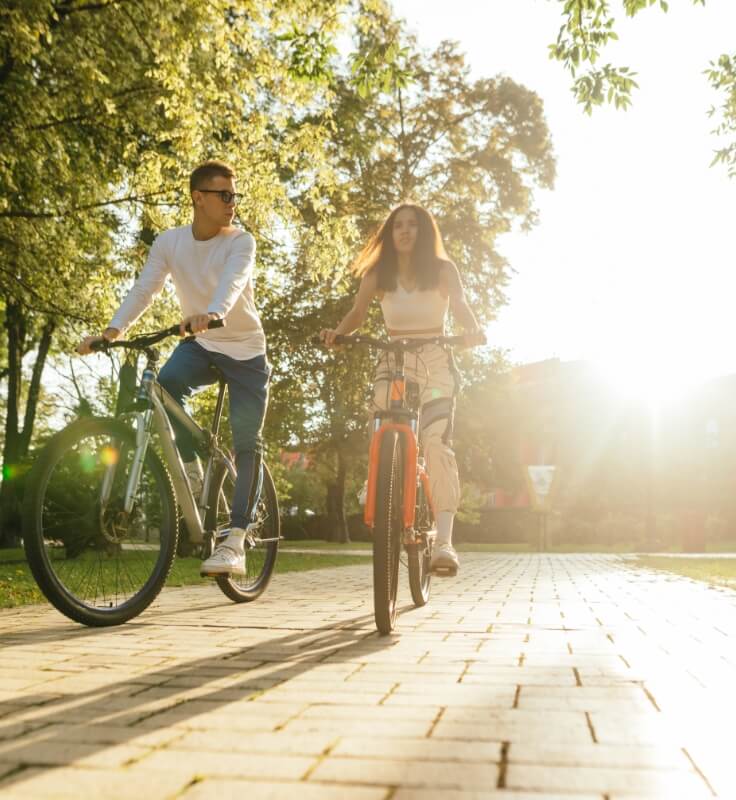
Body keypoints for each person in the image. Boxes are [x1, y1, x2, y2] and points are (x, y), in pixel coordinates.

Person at [77, 160, 269, 578]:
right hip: (202, 345)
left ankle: (235, 541)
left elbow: (233, 282)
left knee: (247, 440)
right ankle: (197, 474)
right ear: (198, 198)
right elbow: (146, 288)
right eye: (224, 195)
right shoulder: (170, 242)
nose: (232, 203)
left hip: (245, 351)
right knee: (163, 388)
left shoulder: (241, 242)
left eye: (235, 196)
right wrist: (111, 331)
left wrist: (213, 311)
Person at [320, 203, 484, 574]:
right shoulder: (379, 274)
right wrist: (339, 334)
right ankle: (376, 480)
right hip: (394, 357)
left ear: (424, 232)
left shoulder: (443, 270)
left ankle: (443, 542)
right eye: (398, 226)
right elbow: (359, 312)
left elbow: (460, 305)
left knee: (435, 441)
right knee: (379, 406)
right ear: (390, 234)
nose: (405, 231)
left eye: (413, 225)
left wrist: (472, 329)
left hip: (436, 358)